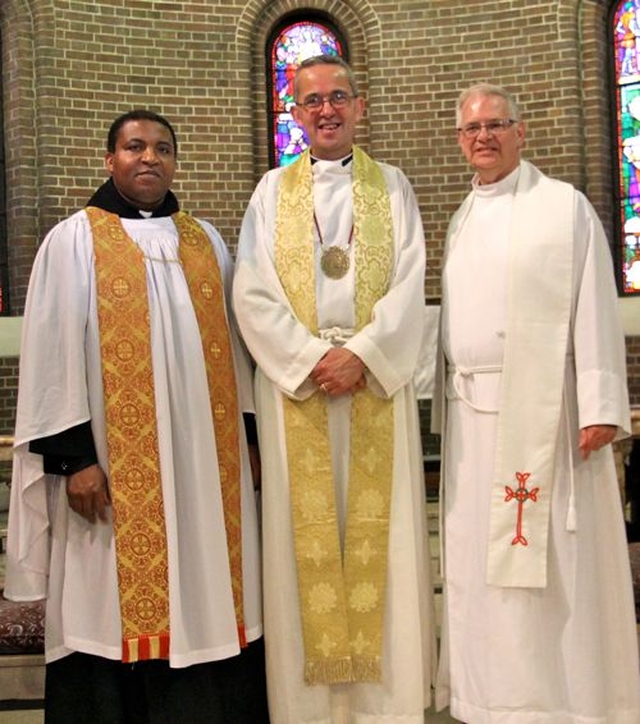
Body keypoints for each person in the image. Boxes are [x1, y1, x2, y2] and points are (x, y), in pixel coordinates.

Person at [4, 109, 269, 723]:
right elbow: (51, 356)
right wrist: (75, 460)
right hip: (111, 476)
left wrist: (250, 439)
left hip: (208, 470)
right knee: (107, 604)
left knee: (210, 591)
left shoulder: (206, 241)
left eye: (163, 148)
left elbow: (237, 351)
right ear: (110, 159)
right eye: (135, 146)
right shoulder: (73, 240)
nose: (150, 158)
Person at [232, 55, 435, 723]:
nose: (326, 110)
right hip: (302, 395)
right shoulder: (270, 193)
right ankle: (308, 711)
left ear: (360, 105)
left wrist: (366, 354)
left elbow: (411, 283)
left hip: (375, 388)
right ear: (294, 114)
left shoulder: (394, 187)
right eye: (311, 101)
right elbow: (253, 292)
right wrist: (313, 358)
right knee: (303, 551)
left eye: (337, 97)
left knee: (389, 548)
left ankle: (388, 706)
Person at [433, 82, 640, 723]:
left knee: (552, 569)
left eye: (497, 124)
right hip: (473, 418)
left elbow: (593, 298)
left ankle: (565, 703)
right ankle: (493, 700)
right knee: (480, 572)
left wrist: (600, 402)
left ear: (521, 133)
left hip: (546, 416)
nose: (484, 137)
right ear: (460, 141)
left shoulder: (562, 207)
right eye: (472, 129)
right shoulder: (461, 216)